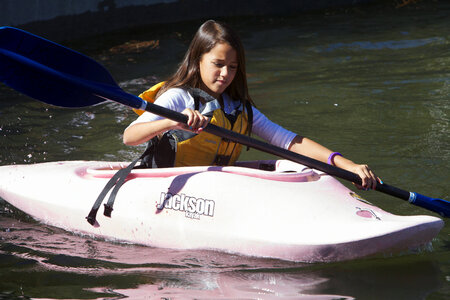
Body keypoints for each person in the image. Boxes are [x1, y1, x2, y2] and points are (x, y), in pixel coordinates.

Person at [123, 20, 378, 190]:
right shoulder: (178, 97)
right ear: (198, 60)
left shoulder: (239, 109)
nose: (225, 74)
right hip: (167, 186)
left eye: (233, 67)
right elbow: (129, 137)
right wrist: (171, 121)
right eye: (218, 64)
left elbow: (289, 141)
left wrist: (347, 165)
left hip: (216, 189)